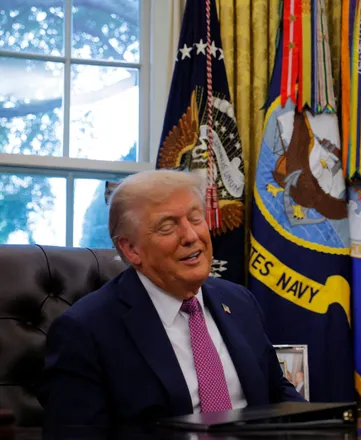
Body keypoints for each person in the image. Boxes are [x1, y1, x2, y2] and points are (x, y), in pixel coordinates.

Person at [39, 170, 305, 427]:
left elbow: (276, 391)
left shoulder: (239, 301)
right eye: (167, 227)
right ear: (131, 249)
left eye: (196, 218)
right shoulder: (85, 331)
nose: (191, 236)